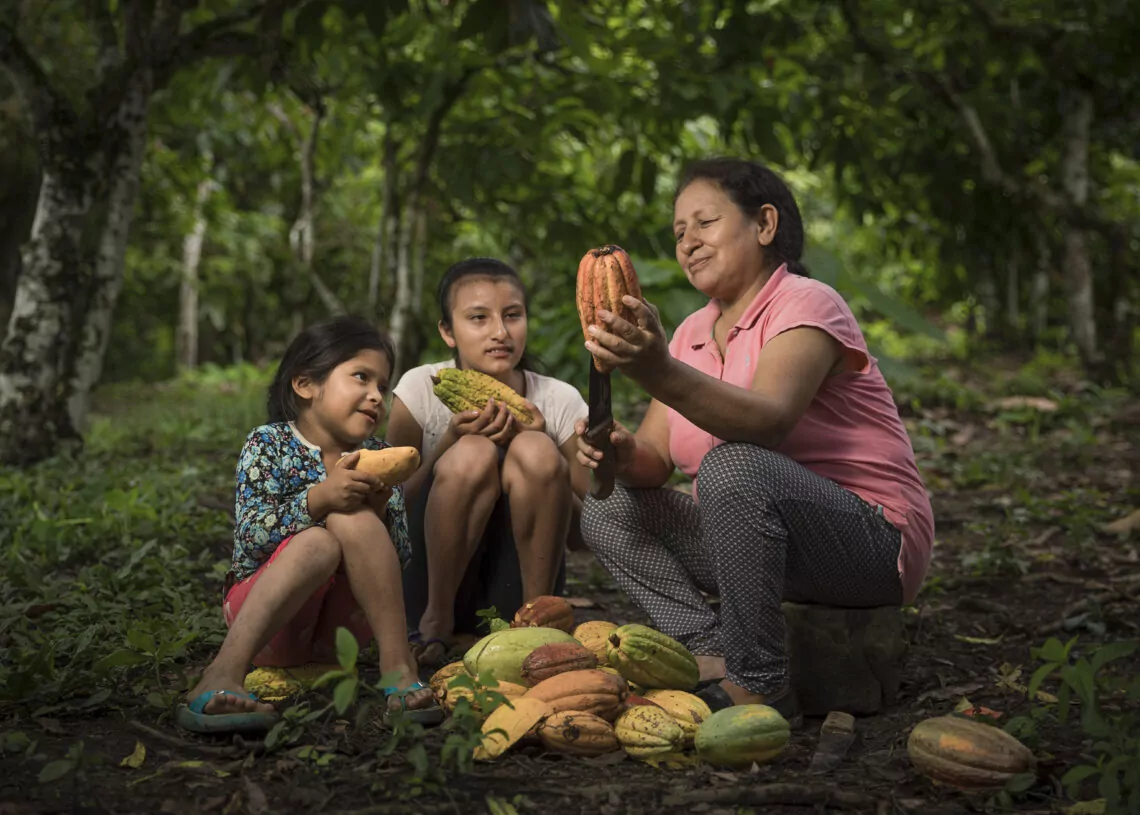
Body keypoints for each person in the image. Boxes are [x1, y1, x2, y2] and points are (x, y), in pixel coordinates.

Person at [575, 157, 934, 719]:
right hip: (760, 544)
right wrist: (619, 453)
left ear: (764, 225)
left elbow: (770, 421)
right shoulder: (692, 332)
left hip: (869, 541)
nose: (688, 241)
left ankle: (760, 681)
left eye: (705, 223)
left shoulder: (807, 302)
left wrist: (655, 371)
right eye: (678, 232)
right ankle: (707, 649)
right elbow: (654, 463)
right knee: (608, 508)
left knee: (735, 465)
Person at [177, 316, 443, 734]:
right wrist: (318, 499)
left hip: (343, 637)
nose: (376, 396)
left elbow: (401, 558)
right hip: (268, 626)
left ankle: (397, 669)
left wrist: (378, 512)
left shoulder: (380, 456)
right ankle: (223, 672)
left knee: (353, 518)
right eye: (361, 377)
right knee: (318, 542)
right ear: (305, 385)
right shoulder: (269, 444)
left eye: (382, 386)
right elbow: (251, 537)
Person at [386, 258, 590, 670]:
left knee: (535, 449)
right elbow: (390, 512)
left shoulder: (559, 399)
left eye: (512, 315)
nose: (500, 332)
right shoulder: (420, 389)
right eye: (478, 318)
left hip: (517, 589)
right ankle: (437, 621)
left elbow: (586, 535)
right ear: (448, 331)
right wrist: (447, 442)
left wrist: (542, 449)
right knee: (473, 452)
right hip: (428, 589)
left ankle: (536, 626)